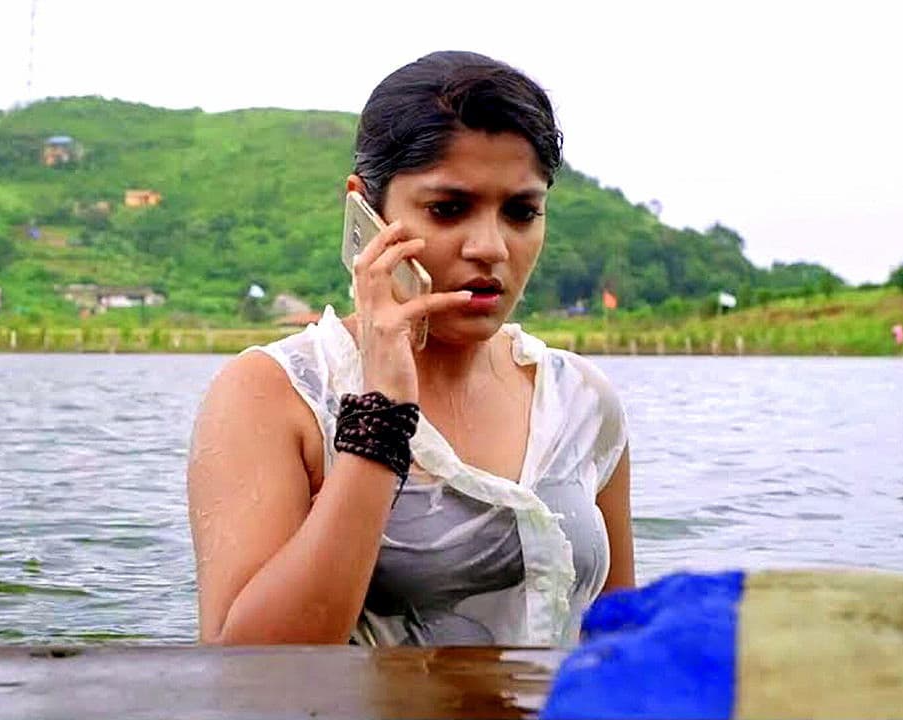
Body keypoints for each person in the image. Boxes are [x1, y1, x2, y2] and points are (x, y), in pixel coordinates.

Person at [186, 51, 634, 647]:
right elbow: (247, 665)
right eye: (448, 210)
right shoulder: (277, 393)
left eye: (521, 212)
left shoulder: (580, 400)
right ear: (364, 211)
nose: (490, 247)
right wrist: (382, 415)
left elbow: (621, 646)